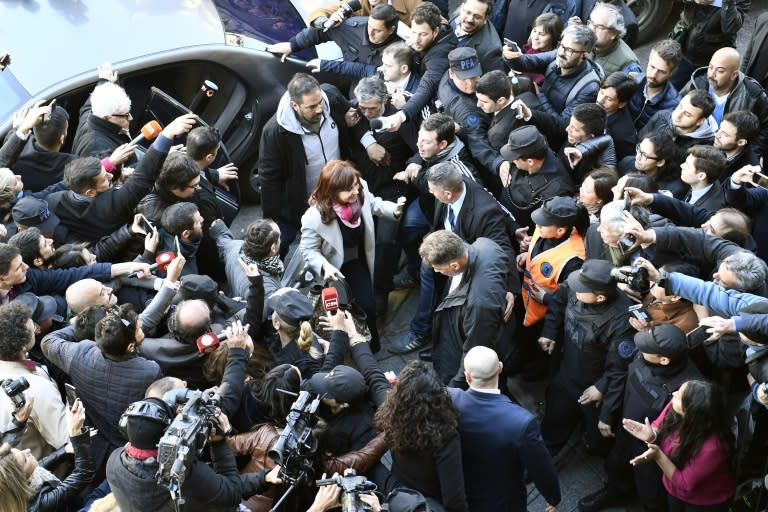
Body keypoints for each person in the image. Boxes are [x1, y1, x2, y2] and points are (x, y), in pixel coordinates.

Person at [578, 325, 704, 512]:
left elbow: (687, 435)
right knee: (616, 465)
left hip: (653, 447)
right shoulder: (645, 355)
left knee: (651, 491)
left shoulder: (688, 390)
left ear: (664, 360)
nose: (641, 348)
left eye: (647, 347)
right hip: (626, 428)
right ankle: (614, 492)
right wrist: (608, 410)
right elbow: (620, 372)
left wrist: (656, 443)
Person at [298, 160, 403, 352]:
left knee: (367, 306)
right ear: (332, 193)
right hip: (333, 270)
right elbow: (308, 250)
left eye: (356, 186)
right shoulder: (313, 218)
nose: (356, 192)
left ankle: (371, 348)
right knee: (338, 314)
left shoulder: (359, 188)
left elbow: (373, 204)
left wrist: (393, 209)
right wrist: (325, 266)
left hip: (357, 260)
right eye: (349, 190)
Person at [41, 304, 163, 468]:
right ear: (130, 347)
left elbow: (48, 341)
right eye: (140, 329)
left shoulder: (81, 352)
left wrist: (81, 324)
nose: (143, 330)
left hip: (92, 443)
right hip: (124, 449)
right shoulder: (150, 371)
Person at [538, 259, 636, 455]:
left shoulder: (622, 321)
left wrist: (602, 387)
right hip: (567, 372)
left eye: (581, 290)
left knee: (598, 439)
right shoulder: (579, 286)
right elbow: (558, 301)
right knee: (553, 423)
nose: (575, 289)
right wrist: (549, 330)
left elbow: (619, 368)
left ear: (599, 298)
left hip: (592, 387)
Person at [448, 346, 560, 512]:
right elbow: (541, 467)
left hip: (460, 489)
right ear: (500, 367)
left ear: (467, 377)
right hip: (502, 501)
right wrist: (553, 497)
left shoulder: (450, 399)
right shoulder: (522, 423)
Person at [258, 73, 346, 258]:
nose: (320, 109)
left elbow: (354, 114)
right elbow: (270, 179)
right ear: (294, 105)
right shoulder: (274, 132)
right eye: (311, 106)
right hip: (300, 203)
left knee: (341, 246)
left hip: (339, 193)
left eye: (320, 102)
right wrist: (271, 220)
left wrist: (369, 143)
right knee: (275, 247)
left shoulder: (331, 96)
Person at [623, 380, 737, 512]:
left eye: (679, 397)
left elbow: (684, 482)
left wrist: (658, 456)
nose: (673, 393)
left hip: (703, 502)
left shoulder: (713, 447)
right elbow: (658, 426)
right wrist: (652, 436)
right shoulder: (677, 406)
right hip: (674, 489)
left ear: (690, 414)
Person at [373, 360, 469, 512]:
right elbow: (454, 497)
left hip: (401, 488)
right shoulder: (445, 437)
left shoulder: (390, 415)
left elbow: (374, 378)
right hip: (428, 501)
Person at [418, 230, 510, 387]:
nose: (435, 271)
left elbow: (474, 348)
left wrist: (456, 386)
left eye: (438, 268)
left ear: (454, 265)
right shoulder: (485, 244)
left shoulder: (478, 303)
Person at [509, 24, 601, 144]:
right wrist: (511, 57)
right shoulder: (558, 55)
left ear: (584, 55)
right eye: (561, 46)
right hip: (538, 114)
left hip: (551, 138)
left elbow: (562, 126)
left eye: (570, 50)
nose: (561, 53)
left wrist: (541, 95)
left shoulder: (589, 88)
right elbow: (528, 62)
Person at [0, 301, 68, 460]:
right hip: (42, 474)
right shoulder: (37, 388)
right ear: (22, 346)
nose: (38, 330)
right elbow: (65, 439)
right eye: (33, 329)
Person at [0, 399, 95, 512]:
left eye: (21, 450)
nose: (28, 451)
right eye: (25, 459)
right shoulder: (38, 506)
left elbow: (40, 467)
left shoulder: (24, 485)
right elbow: (84, 473)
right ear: (20, 480)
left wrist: (65, 450)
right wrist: (76, 436)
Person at [680, 47, 768, 159]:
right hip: (691, 145)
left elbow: (765, 127)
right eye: (710, 67)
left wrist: (751, 154)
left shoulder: (752, 95)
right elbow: (676, 107)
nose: (712, 74)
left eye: (720, 71)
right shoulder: (698, 81)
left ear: (734, 75)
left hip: (725, 156)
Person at [499, 124, 576, 230]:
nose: (511, 161)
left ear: (530, 161)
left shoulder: (556, 192)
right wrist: (501, 164)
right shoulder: (535, 149)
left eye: (514, 158)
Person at [668, 0, 751, 91]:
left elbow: (730, 27)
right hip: (684, 48)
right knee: (668, 88)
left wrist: (727, 2)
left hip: (712, 61)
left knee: (700, 99)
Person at [639, 89, 716, 164]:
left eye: (687, 114)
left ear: (700, 121)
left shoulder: (704, 147)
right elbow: (639, 142)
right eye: (680, 106)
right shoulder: (661, 116)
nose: (677, 115)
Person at [628, 39, 683, 130]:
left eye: (661, 72)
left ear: (672, 73)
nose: (653, 75)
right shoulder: (632, 81)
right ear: (648, 61)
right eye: (652, 67)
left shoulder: (674, 105)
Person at [501, 12, 562, 86]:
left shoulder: (554, 63)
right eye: (534, 31)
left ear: (554, 37)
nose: (535, 37)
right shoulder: (529, 50)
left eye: (541, 34)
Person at [450, 0, 504, 73]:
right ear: (462, 7)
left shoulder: (491, 50)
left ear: (485, 19)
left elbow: (491, 82)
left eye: (477, 17)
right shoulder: (458, 13)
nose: (470, 20)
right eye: (468, 12)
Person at [586, 3, 640, 75]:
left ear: (613, 34)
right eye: (591, 23)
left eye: (600, 26)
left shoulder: (629, 66)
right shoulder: (589, 43)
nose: (592, 29)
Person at [597, 72, 638, 161]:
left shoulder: (622, 137)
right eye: (601, 92)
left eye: (609, 99)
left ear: (621, 104)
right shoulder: (599, 107)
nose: (600, 100)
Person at [714, 110, 761, 181]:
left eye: (725, 135)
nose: (716, 135)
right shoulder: (714, 145)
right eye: (720, 129)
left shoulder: (749, 173)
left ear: (741, 142)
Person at [679, 145, 727, 212]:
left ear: (701, 176)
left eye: (688, 166)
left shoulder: (707, 210)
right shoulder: (699, 184)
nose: (681, 166)